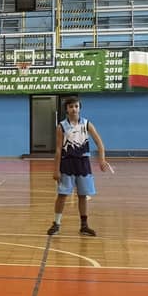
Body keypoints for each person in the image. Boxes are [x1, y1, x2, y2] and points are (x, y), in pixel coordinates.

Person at [47, 96, 111, 236]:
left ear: (80, 108)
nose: (74, 109)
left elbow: (99, 143)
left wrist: (101, 159)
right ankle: (56, 224)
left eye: (76, 106)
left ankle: (84, 225)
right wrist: (56, 169)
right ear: (66, 109)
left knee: (83, 195)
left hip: (83, 163)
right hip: (67, 163)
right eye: (71, 106)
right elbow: (58, 150)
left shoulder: (87, 124)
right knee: (62, 195)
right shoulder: (61, 126)